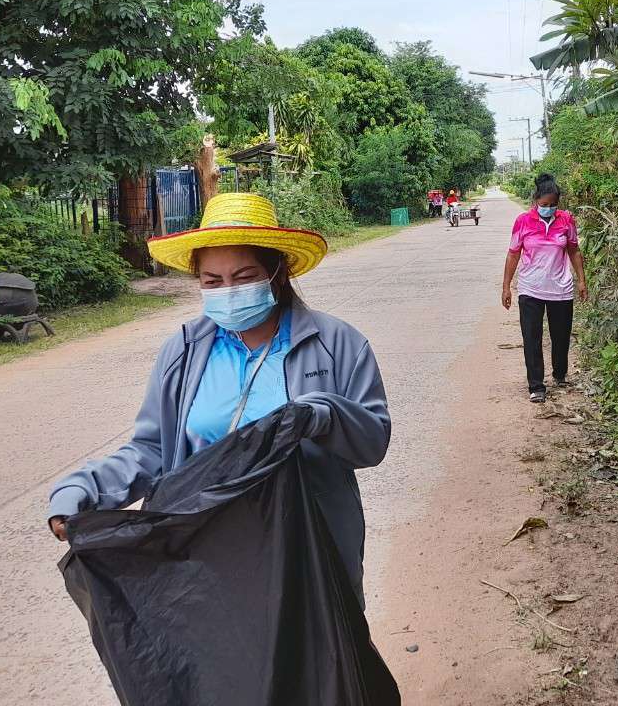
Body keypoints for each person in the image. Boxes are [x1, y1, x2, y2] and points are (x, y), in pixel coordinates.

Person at [46, 192, 390, 607]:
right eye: (212, 282)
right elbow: (152, 450)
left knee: (320, 647)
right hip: (204, 554)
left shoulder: (338, 345)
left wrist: (325, 415)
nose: (228, 291)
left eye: (244, 277)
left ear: (277, 273)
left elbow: (372, 443)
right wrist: (83, 489)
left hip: (311, 553)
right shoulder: (184, 351)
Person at [500, 173, 587, 402]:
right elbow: (513, 254)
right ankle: (536, 385)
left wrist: (581, 280)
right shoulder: (523, 221)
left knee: (561, 336)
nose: (548, 209)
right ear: (535, 201)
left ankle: (560, 374)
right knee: (532, 338)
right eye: (544, 205)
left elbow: (574, 250)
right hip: (530, 288)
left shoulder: (566, 220)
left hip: (561, 289)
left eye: (553, 205)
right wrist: (506, 286)